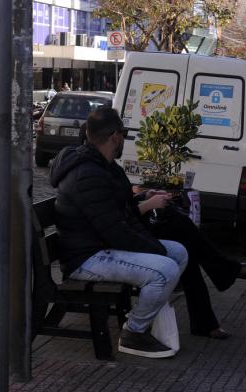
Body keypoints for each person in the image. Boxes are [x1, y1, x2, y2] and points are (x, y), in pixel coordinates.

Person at [49, 107, 188, 359]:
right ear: (115, 137)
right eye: (123, 134)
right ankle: (133, 332)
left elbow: (122, 214)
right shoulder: (88, 174)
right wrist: (155, 249)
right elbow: (115, 230)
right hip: (87, 257)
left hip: (102, 245)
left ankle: (146, 317)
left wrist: (144, 200)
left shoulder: (105, 166)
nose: (123, 139)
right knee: (165, 269)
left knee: (178, 253)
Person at [136, 193, 246, 339]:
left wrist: (144, 195)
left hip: (134, 225)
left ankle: (205, 323)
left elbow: (124, 201)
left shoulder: (109, 171)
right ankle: (227, 272)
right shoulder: (104, 174)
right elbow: (116, 215)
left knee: (186, 245)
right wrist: (147, 205)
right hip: (128, 235)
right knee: (180, 225)